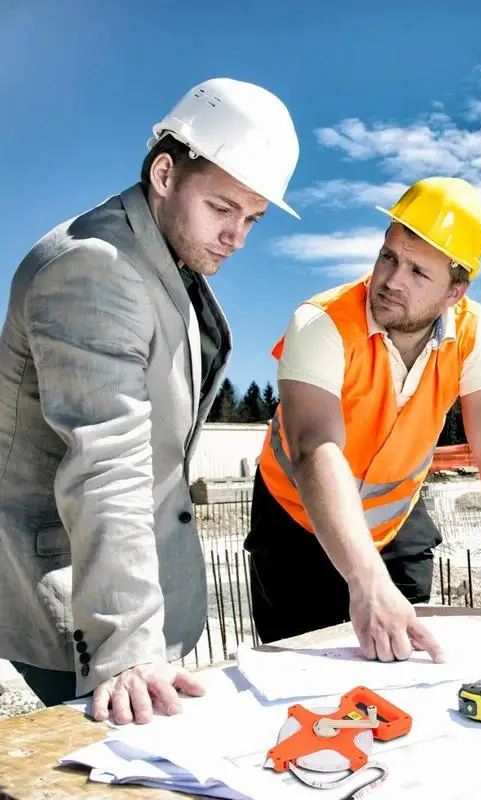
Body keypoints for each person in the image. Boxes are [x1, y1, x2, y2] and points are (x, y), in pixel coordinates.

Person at [0, 77, 300, 724]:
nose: (238, 237)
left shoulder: (164, 258)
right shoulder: (96, 268)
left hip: (136, 594)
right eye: (223, 209)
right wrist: (127, 649)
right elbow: (105, 460)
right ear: (165, 173)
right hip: (81, 602)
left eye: (253, 218)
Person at [244, 177, 481, 664]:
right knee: (305, 677)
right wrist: (366, 584)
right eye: (389, 257)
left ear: (456, 290)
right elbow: (314, 447)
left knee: (402, 666)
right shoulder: (320, 322)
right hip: (297, 524)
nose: (391, 281)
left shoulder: (475, 333)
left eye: (418, 273)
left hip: (395, 528)